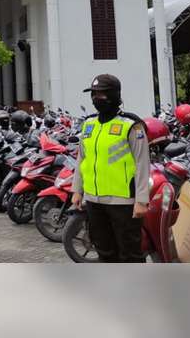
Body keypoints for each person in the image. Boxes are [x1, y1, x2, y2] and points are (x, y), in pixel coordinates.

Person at [71, 74, 150, 263]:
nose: (96, 99)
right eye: (93, 94)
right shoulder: (88, 125)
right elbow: (82, 158)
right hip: (94, 200)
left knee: (130, 254)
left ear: (114, 95)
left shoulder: (132, 126)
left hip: (123, 202)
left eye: (101, 94)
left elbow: (142, 163)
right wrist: (77, 190)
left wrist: (141, 200)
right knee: (104, 252)